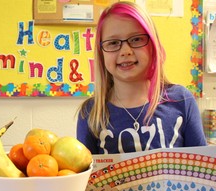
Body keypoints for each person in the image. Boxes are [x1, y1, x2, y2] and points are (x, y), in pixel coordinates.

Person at [76, 1, 207, 154]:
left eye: (136, 39)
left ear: (153, 45)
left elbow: (202, 170)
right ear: (101, 53)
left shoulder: (182, 100)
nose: (125, 51)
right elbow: (84, 173)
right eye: (113, 43)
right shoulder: (91, 112)